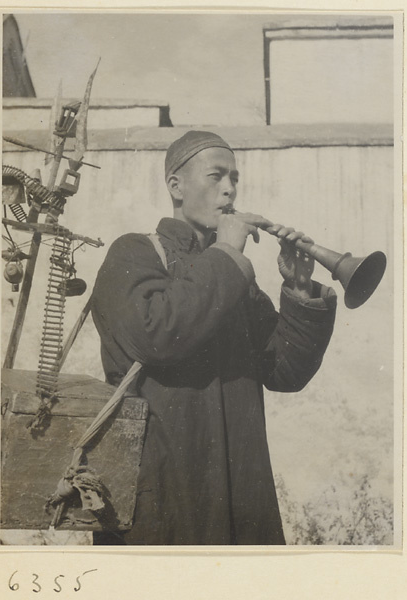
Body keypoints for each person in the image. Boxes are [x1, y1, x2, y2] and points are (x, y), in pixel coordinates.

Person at [91, 130, 337, 545]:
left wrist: (298, 290)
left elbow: (285, 371)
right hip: (163, 489)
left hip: (241, 490)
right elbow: (155, 335)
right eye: (216, 176)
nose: (230, 190)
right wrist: (227, 255)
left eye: (235, 179)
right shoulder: (134, 252)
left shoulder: (234, 275)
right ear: (176, 186)